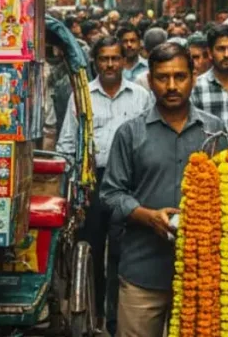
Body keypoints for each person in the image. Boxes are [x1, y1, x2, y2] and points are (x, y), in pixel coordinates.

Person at [102, 43, 228, 337]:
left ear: (193, 77)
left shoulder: (214, 131)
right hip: (143, 272)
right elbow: (110, 194)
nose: (172, 86)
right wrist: (148, 216)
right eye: (162, 78)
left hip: (201, 276)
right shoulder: (131, 133)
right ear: (150, 80)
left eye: (180, 77)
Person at [57, 36, 153, 336]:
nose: (110, 64)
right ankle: (95, 316)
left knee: (124, 251)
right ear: (95, 62)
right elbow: (66, 144)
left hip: (132, 182)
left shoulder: (140, 96)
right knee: (93, 249)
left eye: (115, 58)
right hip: (93, 181)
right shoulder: (82, 97)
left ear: (124, 61)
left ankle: (117, 318)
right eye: (104, 59)